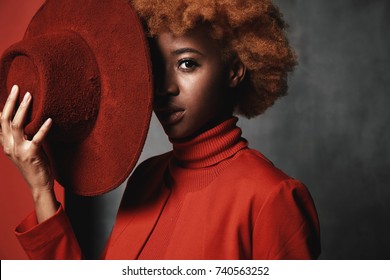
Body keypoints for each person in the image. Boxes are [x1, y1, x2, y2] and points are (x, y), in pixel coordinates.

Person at [0, 0, 320, 259]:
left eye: (187, 64)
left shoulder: (272, 198)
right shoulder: (145, 179)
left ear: (235, 70)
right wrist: (41, 189)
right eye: (156, 67)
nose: (164, 87)